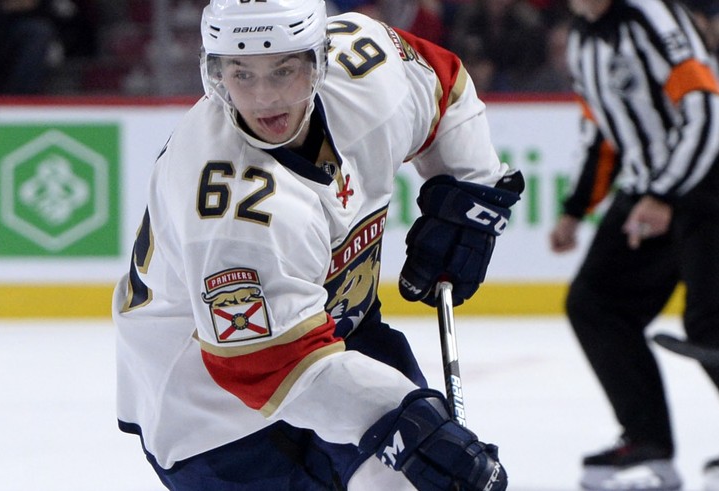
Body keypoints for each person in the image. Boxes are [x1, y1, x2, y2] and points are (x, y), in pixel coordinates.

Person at [113, 0, 524, 489]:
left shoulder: (366, 72)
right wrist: (409, 423)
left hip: (334, 329)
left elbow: (443, 87)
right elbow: (264, 364)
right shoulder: (230, 206)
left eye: (283, 71)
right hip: (212, 410)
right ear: (215, 73)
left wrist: (467, 189)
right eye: (241, 75)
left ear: (320, 59)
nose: (264, 99)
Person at [549, 0, 719, 490]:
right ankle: (648, 440)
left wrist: (665, 194)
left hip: (706, 181)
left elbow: (706, 105)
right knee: (596, 303)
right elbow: (602, 130)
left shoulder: (653, 15)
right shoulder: (582, 38)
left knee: (711, 322)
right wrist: (576, 207)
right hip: (651, 190)